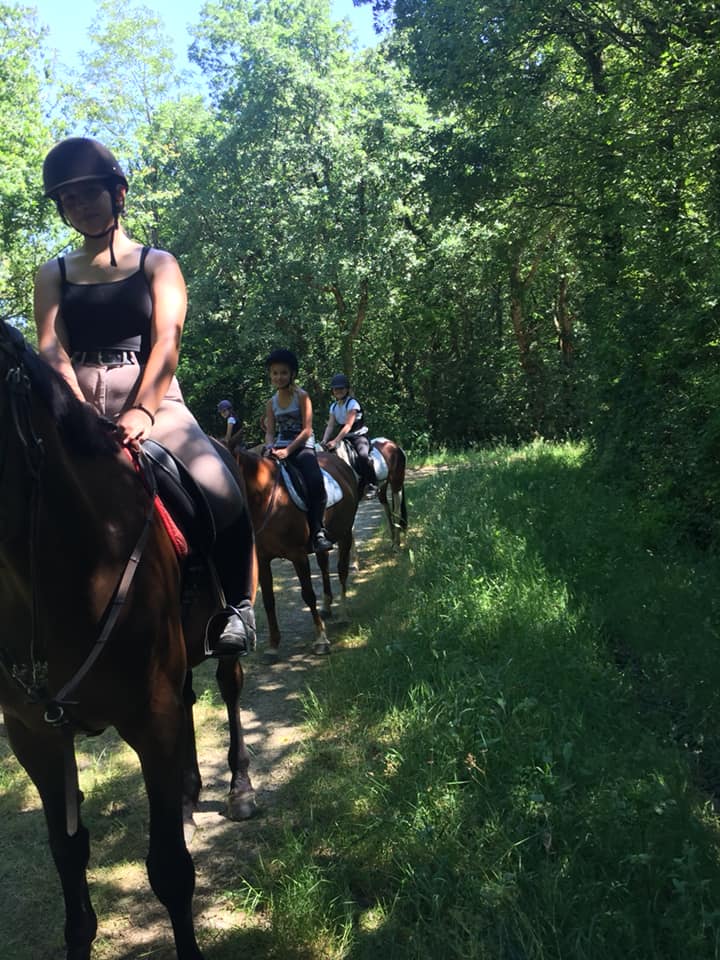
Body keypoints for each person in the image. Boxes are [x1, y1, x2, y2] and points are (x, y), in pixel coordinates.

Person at [34, 135, 256, 657]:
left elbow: (166, 342)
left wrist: (142, 409)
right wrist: (77, 410)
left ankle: (238, 608)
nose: (80, 206)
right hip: (75, 402)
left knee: (219, 484)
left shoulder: (158, 263)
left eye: (89, 193)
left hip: (154, 400)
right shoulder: (53, 273)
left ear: (117, 194)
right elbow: (51, 348)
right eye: (68, 199)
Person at [263, 348, 334, 553]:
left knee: (315, 481)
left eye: (283, 372)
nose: (279, 377)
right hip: (279, 446)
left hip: (302, 446)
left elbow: (307, 430)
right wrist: (269, 446)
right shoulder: (271, 403)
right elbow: (270, 432)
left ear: (292, 374)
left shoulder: (302, 396)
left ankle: (318, 531)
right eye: (275, 373)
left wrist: (288, 451)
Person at [321, 373, 377, 497]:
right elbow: (330, 426)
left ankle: (372, 483)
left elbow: (348, 426)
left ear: (346, 389)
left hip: (358, 436)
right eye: (336, 389)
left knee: (363, 456)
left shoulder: (352, 404)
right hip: (344, 437)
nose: (338, 391)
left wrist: (335, 441)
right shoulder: (333, 406)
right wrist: (324, 440)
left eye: (341, 388)